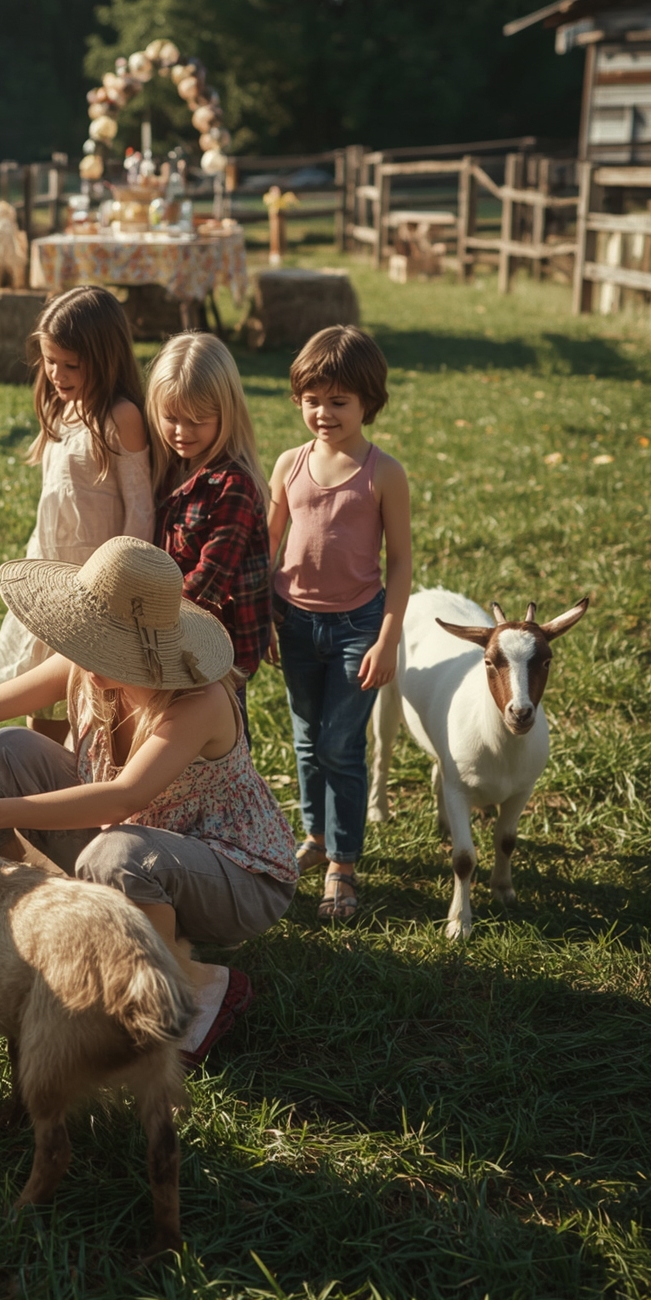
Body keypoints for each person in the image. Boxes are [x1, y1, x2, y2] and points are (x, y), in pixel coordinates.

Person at [0, 537, 298, 1067]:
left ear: (143, 650)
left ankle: (197, 987)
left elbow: (123, 796)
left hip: (235, 874)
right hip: (138, 836)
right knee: (8, 749)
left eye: (103, 644)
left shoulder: (199, 700)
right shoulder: (93, 668)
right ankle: (59, 934)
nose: (87, 653)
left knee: (115, 856)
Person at [267, 325, 412, 922]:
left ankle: (343, 865)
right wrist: (263, 619)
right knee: (306, 741)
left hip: (358, 627)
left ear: (368, 402)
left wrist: (387, 637)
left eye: (339, 402)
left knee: (340, 746)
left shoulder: (383, 473)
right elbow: (268, 547)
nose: (323, 413)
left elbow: (400, 562)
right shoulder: (288, 464)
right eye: (312, 400)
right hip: (294, 622)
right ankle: (316, 838)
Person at [0, 286, 153, 743]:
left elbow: (139, 508)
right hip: (50, 581)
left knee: (99, 715)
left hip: (96, 588)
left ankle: (89, 804)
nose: (56, 373)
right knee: (44, 706)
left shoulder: (120, 416)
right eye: (50, 360)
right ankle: (42, 806)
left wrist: (123, 588)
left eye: (71, 364)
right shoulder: (62, 408)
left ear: (105, 357)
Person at [147, 332, 271, 741]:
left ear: (227, 412)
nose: (182, 431)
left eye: (198, 419)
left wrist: (144, 623)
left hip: (217, 658)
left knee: (224, 755)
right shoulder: (171, 469)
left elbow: (208, 579)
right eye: (172, 417)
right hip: (177, 645)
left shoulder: (233, 485)